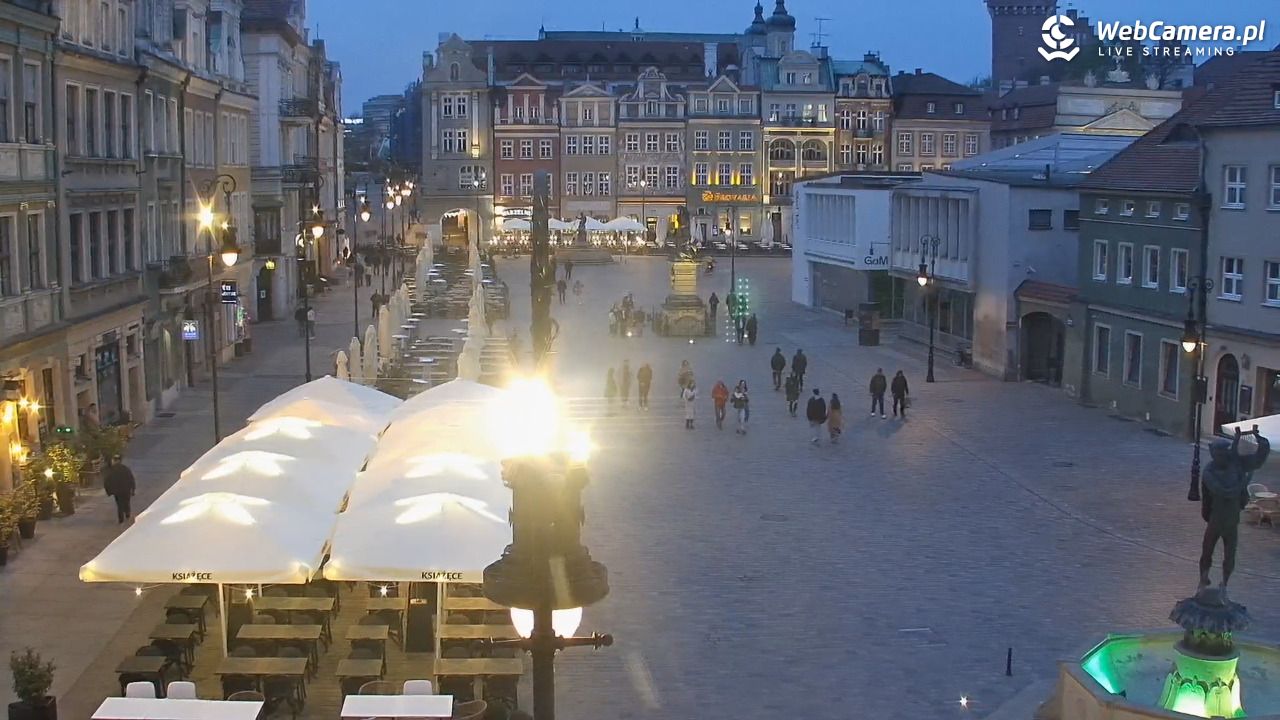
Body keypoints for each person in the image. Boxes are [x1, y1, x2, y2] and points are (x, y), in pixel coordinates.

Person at [1199, 427, 1270, 589]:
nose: (1225, 456)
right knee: (1207, 551)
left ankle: (1224, 584)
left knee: (1230, 555)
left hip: (1232, 519)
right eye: (1220, 453)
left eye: (1226, 452)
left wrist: (1259, 439)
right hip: (1216, 519)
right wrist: (1245, 482)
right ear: (1214, 454)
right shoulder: (1210, 471)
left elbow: (1258, 459)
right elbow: (1226, 492)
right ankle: (1203, 579)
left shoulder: (1235, 463)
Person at [102, 453, 136, 524]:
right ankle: (127, 513)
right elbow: (131, 479)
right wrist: (133, 489)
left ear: (115, 461)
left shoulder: (111, 470)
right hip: (126, 490)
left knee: (119, 504)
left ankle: (121, 518)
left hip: (117, 491)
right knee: (126, 502)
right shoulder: (126, 469)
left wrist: (109, 491)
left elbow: (107, 481)